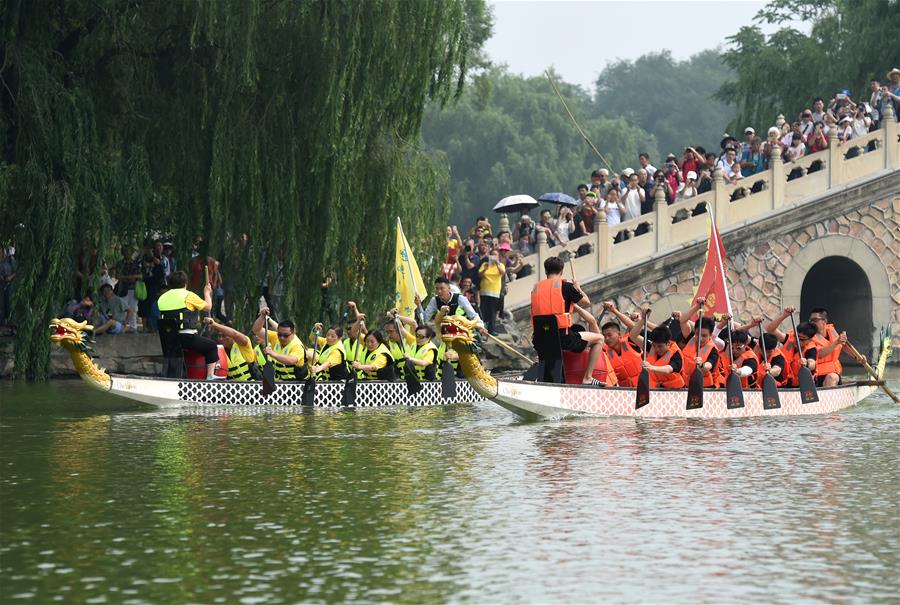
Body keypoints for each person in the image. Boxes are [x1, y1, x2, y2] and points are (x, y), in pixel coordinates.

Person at [530, 256, 606, 386]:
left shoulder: (536, 289)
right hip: (562, 338)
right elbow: (586, 303)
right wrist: (577, 287)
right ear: (561, 271)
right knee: (599, 338)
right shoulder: (567, 287)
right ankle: (587, 378)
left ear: (546, 271)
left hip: (540, 339)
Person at [157, 270, 220, 379]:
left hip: (168, 340)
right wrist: (206, 292)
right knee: (211, 346)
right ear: (185, 283)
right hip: (186, 338)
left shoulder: (162, 298)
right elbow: (208, 307)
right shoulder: (188, 296)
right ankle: (210, 376)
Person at [252, 308, 307, 381]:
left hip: (296, 384)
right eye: (279, 334)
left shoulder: (297, 346)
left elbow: (291, 360)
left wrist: (272, 353)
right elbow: (256, 330)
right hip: (280, 383)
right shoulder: (275, 337)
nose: (282, 338)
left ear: (293, 333)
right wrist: (262, 316)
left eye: (285, 335)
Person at [630, 319, 685, 389]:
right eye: (654, 345)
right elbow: (633, 336)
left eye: (660, 346)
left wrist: (651, 367)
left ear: (668, 343)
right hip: (657, 389)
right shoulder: (652, 348)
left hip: (676, 391)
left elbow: (668, 369)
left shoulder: (676, 355)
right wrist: (643, 320)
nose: (657, 349)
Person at [680, 316, 720, 388]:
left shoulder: (713, 351)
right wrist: (697, 307)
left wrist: (702, 365)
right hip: (684, 383)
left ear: (710, 335)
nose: (700, 338)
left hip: (703, 387)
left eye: (704, 336)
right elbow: (682, 320)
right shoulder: (690, 338)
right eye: (697, 334)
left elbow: (709, 365)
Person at [477, 247, 505, 335]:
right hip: (484, 291)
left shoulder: (500, 265)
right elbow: (479, 275)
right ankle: (481, 328)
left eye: (495, 255)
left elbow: (503, 273)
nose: (493, 256)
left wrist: (497, 263)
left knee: (493, 311)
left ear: (498, 256)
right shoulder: (485, 264)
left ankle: (491, 329)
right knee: (483, 310)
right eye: (492, 254)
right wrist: (486, 267)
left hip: (495, 291)